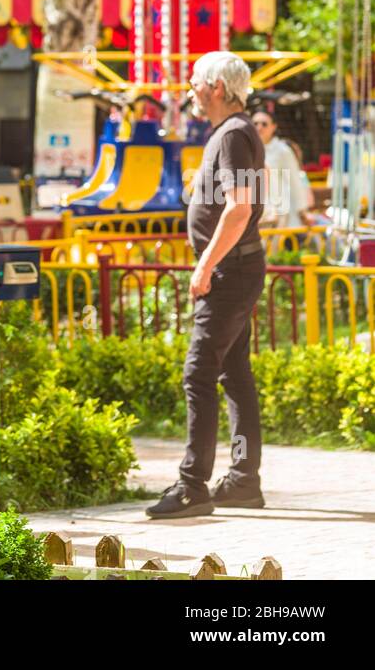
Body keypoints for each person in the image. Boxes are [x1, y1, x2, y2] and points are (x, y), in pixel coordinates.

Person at [147, 51, 267, 519]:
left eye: (196, 82)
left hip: (228, 271)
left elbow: (239, 208)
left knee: (198, 373)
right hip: (236, 266)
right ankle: (241, 480)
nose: (191, 90)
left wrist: (205, 266)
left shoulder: (234, 135)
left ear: (216, 87)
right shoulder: (232, 134)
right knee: (233, 373)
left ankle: (193, 485)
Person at [252, 107, 307, 230]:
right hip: (254, 214)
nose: (259, 127)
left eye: (264, 124)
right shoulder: (247, 150)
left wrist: (302, 211)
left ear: (273, 127)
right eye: (255, 123)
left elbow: (294, 181)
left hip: (278, 215)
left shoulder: (282, 151)